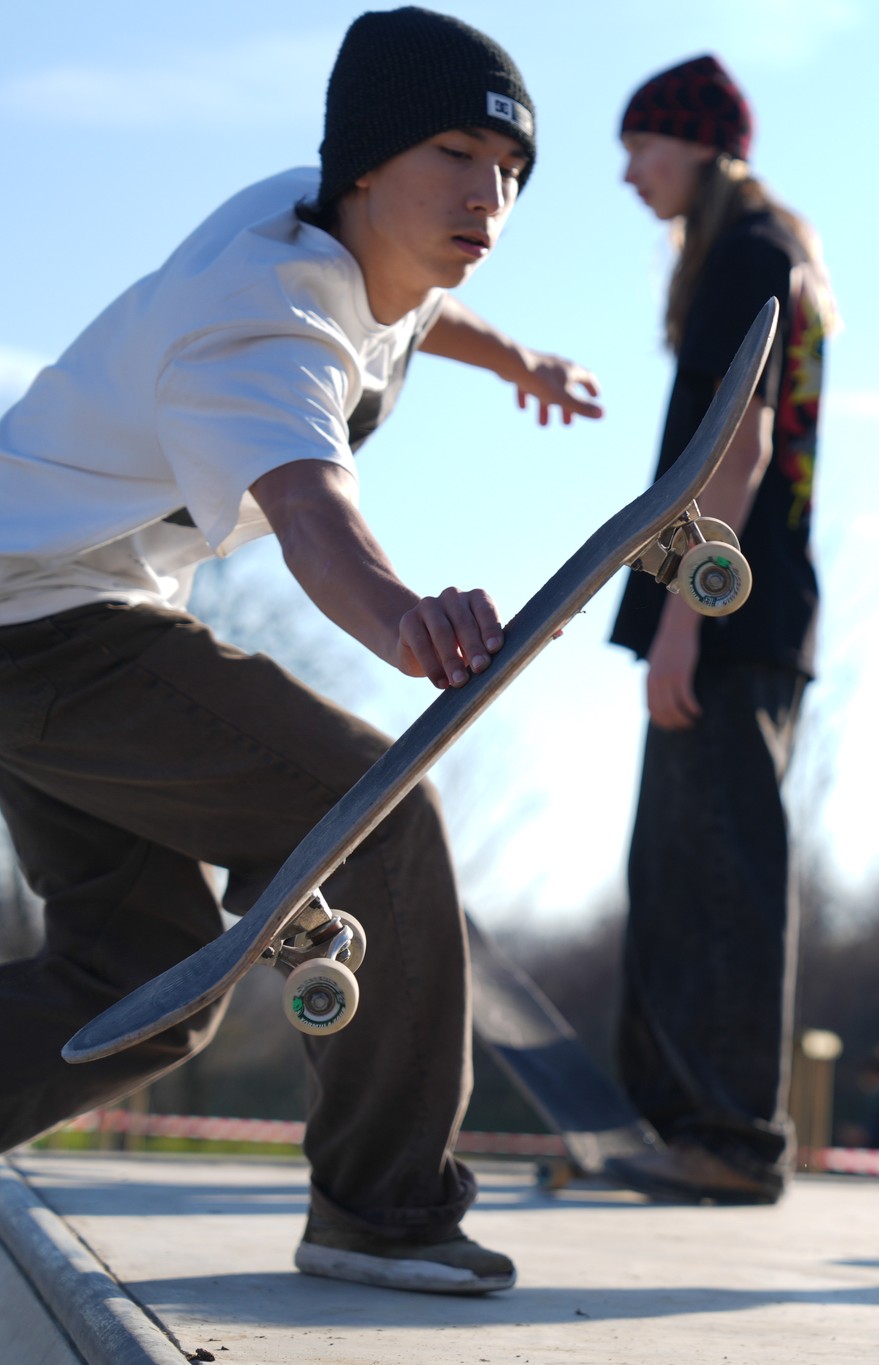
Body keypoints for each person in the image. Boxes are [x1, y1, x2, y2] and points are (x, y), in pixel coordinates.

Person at [0, 8, 601, 1294]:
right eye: (455, 156)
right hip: (44, 631)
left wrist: (517, 361)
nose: (487, 197)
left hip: (50, 610)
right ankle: (380, 1211)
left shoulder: (346, 226)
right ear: (367, 164)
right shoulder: (257, 327)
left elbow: (417, 321)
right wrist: (400, 619)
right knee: (372, 816)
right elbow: (314, 516)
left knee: (143, 976)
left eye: (511, 173)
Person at [605, 55, 838, 1205]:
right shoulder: (763, 254)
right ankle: (677, 1122)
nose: (627, 171)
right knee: (676, 868)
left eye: (641, 144)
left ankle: (729, 1138)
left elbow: (738, 449)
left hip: (728, 612)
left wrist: (686, 620)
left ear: (700, 143)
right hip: (736, 608)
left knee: (717, 873)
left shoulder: (746, 254)